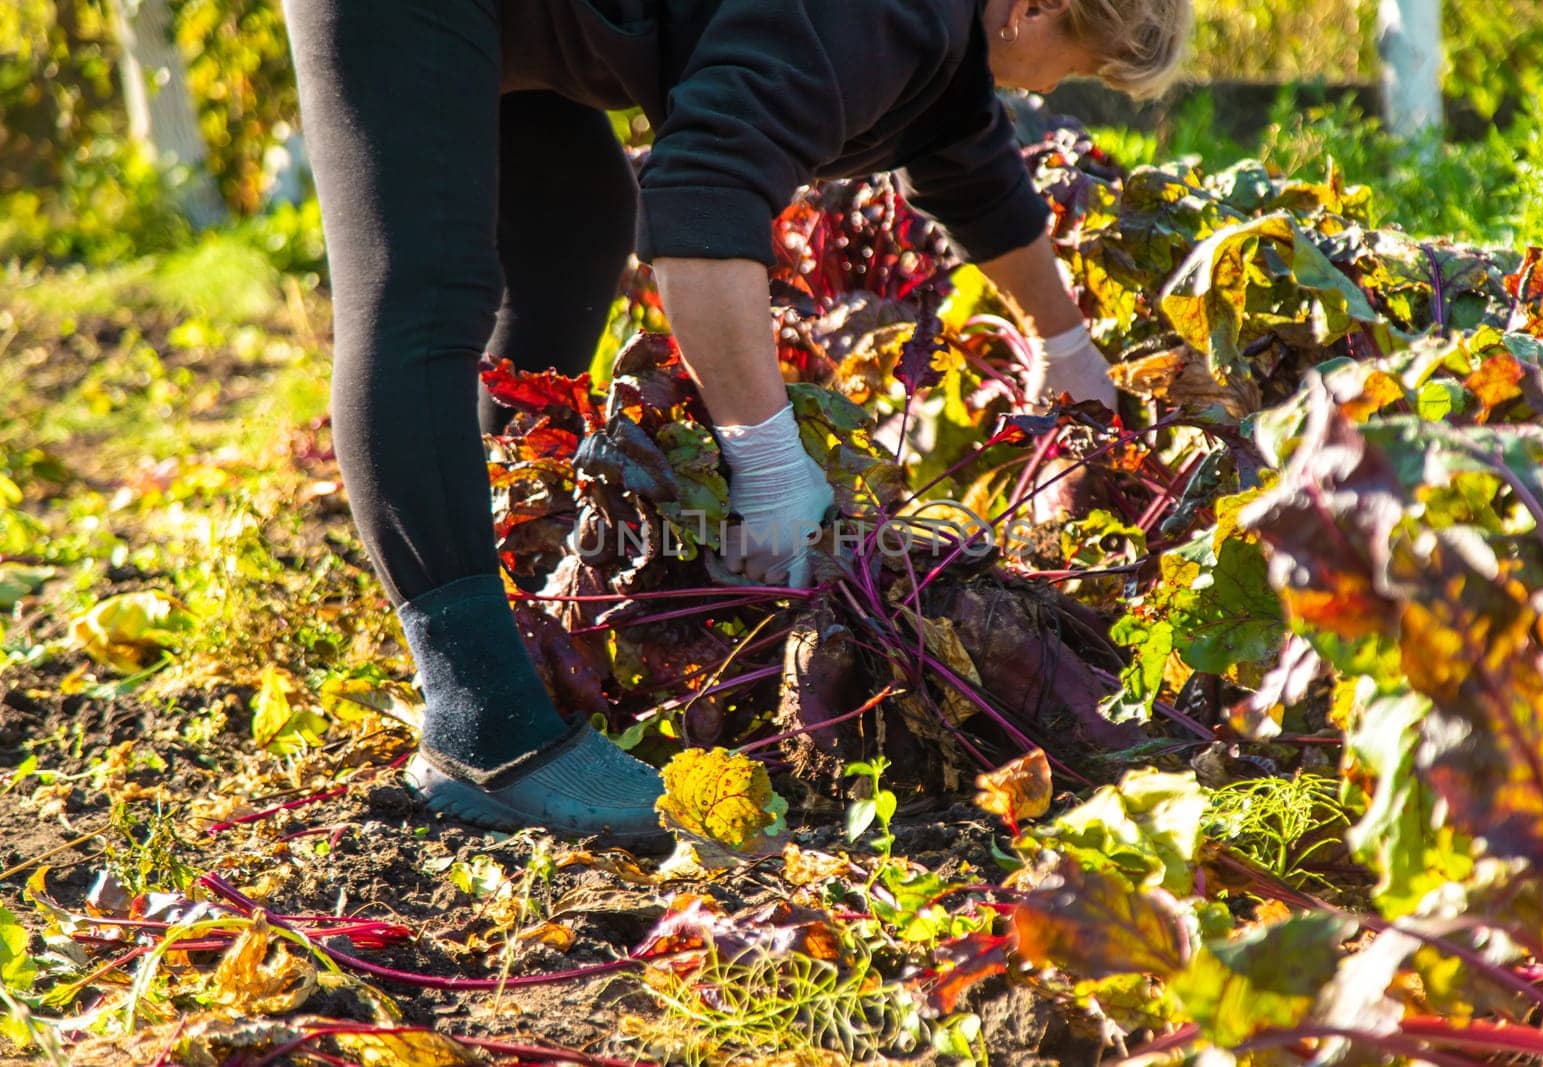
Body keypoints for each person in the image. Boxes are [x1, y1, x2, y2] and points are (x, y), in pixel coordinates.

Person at [281, 0, 1191, 848]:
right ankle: (483, 721)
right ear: (1032, 7)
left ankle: (499, 594)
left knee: (574, 225)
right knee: (425, 292)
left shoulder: (936, 27)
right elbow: (701, 206)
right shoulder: (885, 11)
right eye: (1070, 67)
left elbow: (967, 155)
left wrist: (1065, 342)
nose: (1043, 91)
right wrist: (767, 458)